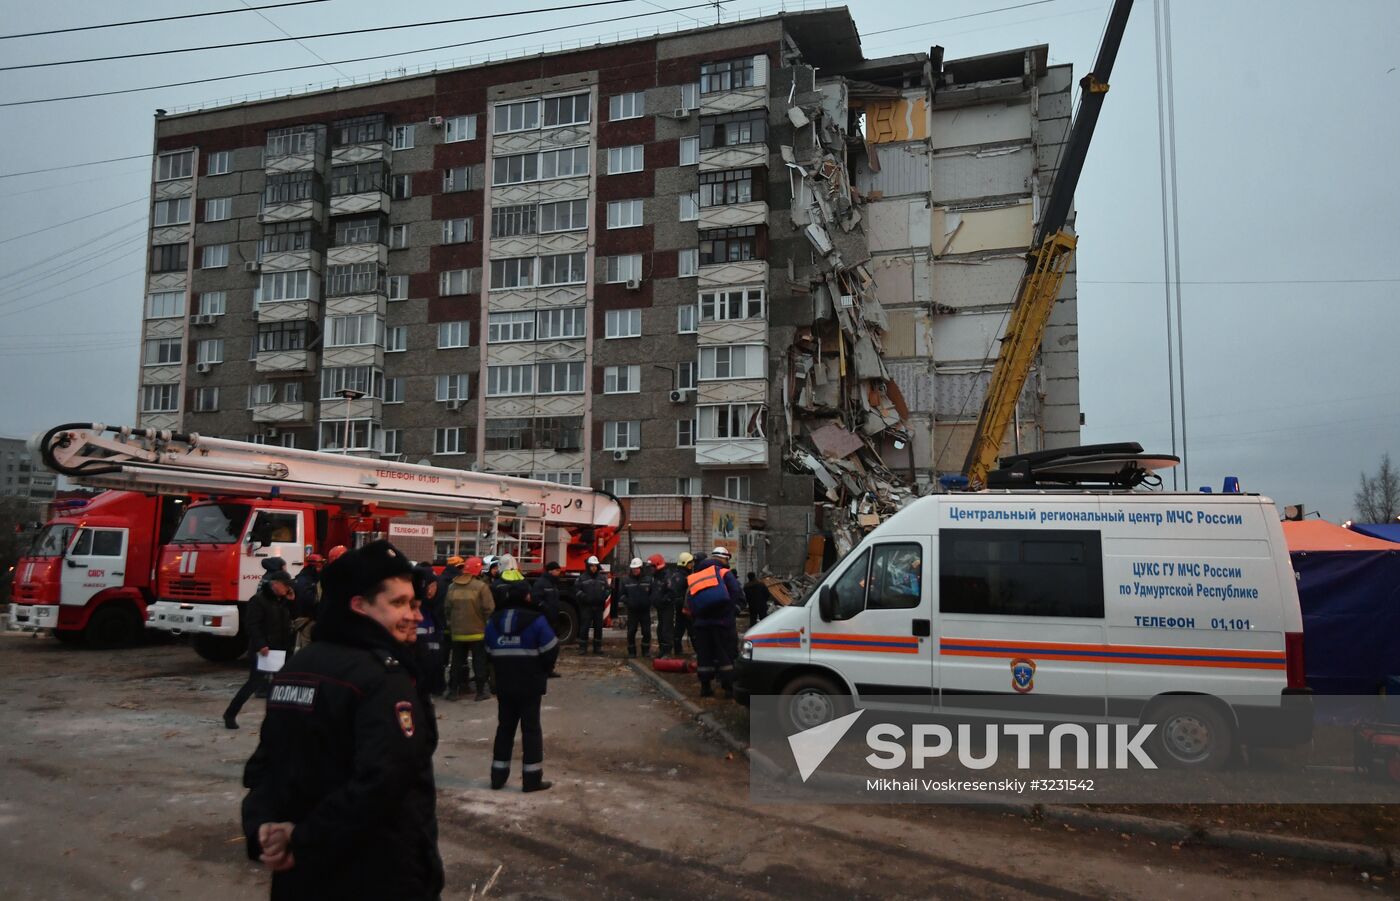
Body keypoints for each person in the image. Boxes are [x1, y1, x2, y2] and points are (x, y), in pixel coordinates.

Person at [240, 540, 443, 900]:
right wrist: (300, 839)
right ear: (359, 607)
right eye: (398, 604)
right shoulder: (382, 678)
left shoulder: (297, 667)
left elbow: (265, 766)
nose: (415, 615)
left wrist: (264, 829)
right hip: (375, 873)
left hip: (301, 876)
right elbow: (383, 782)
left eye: (414, 603)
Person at [485, 576, 559, 791]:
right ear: (527, 596)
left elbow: (488, 649)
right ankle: (532, 779)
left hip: (504, 683)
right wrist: (543, 670)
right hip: (530, 684)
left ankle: (497, 777)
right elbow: (551, 648)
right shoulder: (536, 620)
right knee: (531, 730)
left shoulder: (494, 620)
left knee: (505, 728)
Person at [224, 571, 298, 729]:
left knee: (284, 685)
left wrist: (290, 601)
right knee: (254, 683)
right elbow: (252, 625)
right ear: (275, 584)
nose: (288, 589)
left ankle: (284, 719)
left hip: (281, 648)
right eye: (286, 586)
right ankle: (230, 713)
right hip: (264, 650)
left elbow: (290, 618)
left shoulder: (281, 600)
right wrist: (261, 644)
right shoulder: (258, 600)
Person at [685, 547, 743, 698]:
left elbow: (689, 600)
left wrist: (697, 617)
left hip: (701, 625)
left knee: (704, 656)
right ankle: (728, 688)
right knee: (725, 655)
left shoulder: (697, 575)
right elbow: (736, 592)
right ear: (723, 559)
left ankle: (705, 687)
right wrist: (729, 611)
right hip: (722, 623)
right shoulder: (724, 573)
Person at [443, 557, 494, 702]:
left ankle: (453, 691)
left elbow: (447, 608)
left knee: (457, 662)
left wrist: (452, 624)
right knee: (479, 661)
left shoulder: (452, 586)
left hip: (457, 633)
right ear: (477, 569)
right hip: (477, 632)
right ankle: (480, 692)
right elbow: (489, 609)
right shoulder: (481, 587)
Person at [413, 563, 448, 697]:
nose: (429, 591)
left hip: (433, 633)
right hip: (425, 632)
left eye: (431, 587)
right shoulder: (419, 598)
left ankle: (436, 686)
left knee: (436, 660)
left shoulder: (441, 592)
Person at [615, 557, 654, 658]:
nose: (635, 570)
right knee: (631, 632)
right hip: (632, 611)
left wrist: (649, 601)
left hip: (645, 611)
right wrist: (628, 602)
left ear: (641, 568)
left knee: (646, 632)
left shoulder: (649, 580)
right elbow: (621, 595)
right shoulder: (626, 580)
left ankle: (645, 651)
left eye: (636, 568)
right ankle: (632, 652)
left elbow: (653, 594)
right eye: (633, 568)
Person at [532, 562, 564, 677]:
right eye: (557, 570)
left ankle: (549, 669)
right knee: (544, 646)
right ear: (550, 571)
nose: (559, 573)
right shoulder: (541, 583)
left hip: (553, 619)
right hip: (544, 619)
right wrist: (546, 609)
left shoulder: (553, 584)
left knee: (553, 646)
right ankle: (543, 669)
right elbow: (536, 600)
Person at [574, 555, 609, 655]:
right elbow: (576, 590)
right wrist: (584, 597)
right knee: (584, 628)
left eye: (595, 566)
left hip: (598, 607)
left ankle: (597, 648)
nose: (593, 568)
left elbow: (608, 589)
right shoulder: (582, 578)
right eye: (591, 566)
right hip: (586, 607)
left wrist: (604, 596)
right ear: (588, 566)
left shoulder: (602, 578)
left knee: (598, 628)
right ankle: (582, 648)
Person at [290, 554, 324, 650]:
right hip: (307, 619)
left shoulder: (306, 578)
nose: (321, 566)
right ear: (315, 565)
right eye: (320, 563)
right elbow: (309, 599)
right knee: (306, 646)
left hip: (308, 618)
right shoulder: (306, 580)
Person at [646, 554, 676, 658]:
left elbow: (671, 592)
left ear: (657, 566)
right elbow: (652, 590)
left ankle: (667, 651)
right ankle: (662, 650)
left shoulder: (667, 576)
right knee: (660, 629)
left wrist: (663, 600)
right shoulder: (655, 577)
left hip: (666, 607)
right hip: (659, 607)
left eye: (652, 567)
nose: (650, 569)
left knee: (666, 629)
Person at [670, 552, 696, 656]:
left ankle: (678, 650)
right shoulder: (686, 577)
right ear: (685, 564)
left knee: (679, 628)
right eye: (690, 563)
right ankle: (698, 651)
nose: (692, 565)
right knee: (692, 629)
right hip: (685, 606)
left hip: (678, 606)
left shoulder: (675, 574)